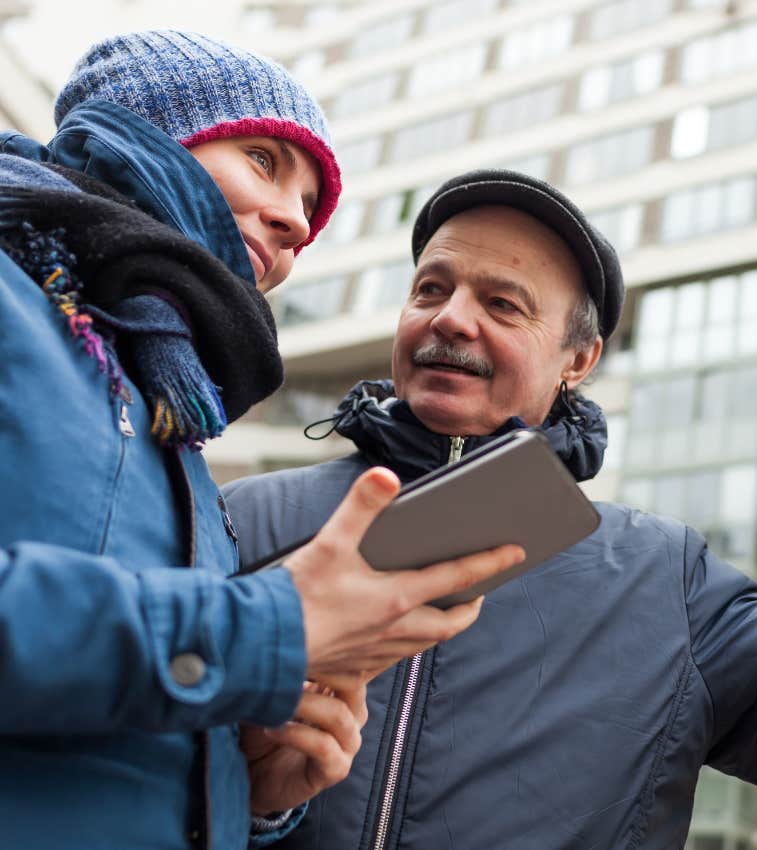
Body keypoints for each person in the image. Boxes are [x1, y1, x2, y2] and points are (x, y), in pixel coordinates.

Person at [0, 33, 523, 850]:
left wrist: (249, 786)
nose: (292, 221)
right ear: (143, 128)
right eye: (263, 160)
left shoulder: (173, 428)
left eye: (309, 212)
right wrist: (266, 627)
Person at [224, 168, 757, 850]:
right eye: (431, 289)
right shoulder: (235, 521)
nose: (451, 318)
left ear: (577, 360)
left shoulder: (664, 581)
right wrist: (252, 812)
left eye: (502, 304)